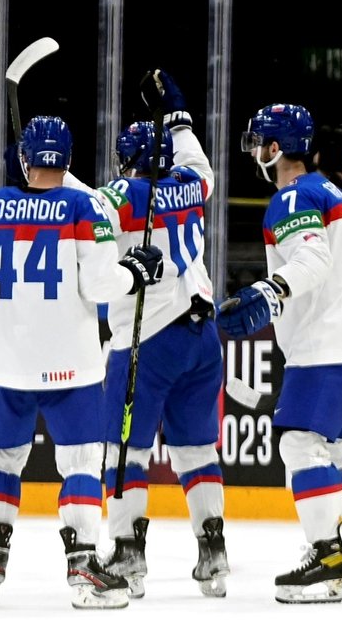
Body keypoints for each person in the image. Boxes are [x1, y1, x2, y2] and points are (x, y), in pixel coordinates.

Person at [0, 115, 165, 610]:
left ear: (23, 158)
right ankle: (84, 566)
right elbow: (100, 285)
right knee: (82, 463)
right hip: (73, 364)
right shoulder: (83, 205)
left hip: (5, 364)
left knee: (1, 462)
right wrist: (135, 272)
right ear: (68, 161)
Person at [217, 103, 342, 603]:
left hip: (323, 345)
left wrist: (271, 291)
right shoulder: (332, 191)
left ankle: (326, 560)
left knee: (299, 445)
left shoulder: (292, 196)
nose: (255, 152)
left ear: (276, 149)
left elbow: (313, 258)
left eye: (259, 143)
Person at [89, 70, 228, 599]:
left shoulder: (123, 194)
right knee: (196, 450)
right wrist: (179, 116)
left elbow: (87, 209)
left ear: (127, 161)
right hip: (203, 336)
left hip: (150, 339)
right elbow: (200, 164)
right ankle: (214, 555)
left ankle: (127, 556)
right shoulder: (189, 184)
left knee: (124, 450)